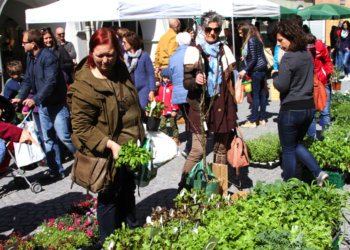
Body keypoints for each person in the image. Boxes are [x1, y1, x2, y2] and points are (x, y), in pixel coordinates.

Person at [67, 27, 144, 244]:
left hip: (128, 148)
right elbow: (81, 127)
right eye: (99, 55)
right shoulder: (84, 85)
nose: (105, 60)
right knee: (109, 197)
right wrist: (109, 144)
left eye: (110, 54)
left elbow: (128, 100)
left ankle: (131, 234)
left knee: (127, 191)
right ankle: (109, 243)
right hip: (108, 151)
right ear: (91, 52)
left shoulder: (120, 69)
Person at [178, 11, 238, 191]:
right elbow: (186, 82)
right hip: (201, 106)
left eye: (216, 29)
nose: (212, 33)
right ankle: (184, 189)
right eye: (209, 29)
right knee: (197, 150)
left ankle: (219, 191)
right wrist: (195, 81)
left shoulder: (225, 50)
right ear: (202, 29)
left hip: (222, 105)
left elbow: (231, 81)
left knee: (220, 151)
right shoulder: (193, 50)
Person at [12, 29, 76, 180]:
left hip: (57, 104)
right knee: (47, 139)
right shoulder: (30, 57)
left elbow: (50, 82)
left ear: (33, 43)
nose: (22, 45)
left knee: (64, 136)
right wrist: (20, 98)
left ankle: (86, 159)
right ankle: (56, 171)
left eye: (24, 42)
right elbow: (27, 79)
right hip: (43, 105)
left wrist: (35, 99)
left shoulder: (49, 57)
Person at [271, 20, 328, 185]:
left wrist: (275, 74)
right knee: (296, 144)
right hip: (308, 108)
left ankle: (290, 185)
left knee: (288, 149)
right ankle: (318, 172)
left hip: (291, 110)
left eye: (281, 40)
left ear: (291, 37)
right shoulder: (306, 55)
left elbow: (282, 85)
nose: (278, 44)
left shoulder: (289, 57)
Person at [238, 23, 267, 128]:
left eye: (241, 33)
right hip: (261, 69)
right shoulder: (257, 38)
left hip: (256, 71)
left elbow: (254, 59)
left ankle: (253, 120)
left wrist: (244, 70)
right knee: (262, 95)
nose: (240, 35)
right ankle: (262, 118)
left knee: (255, 96)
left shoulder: (251, 40)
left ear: (246, 31)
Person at [169, 32, 192, 158]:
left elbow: (172, 77)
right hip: (191, 91)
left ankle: (190, 146)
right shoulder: (193, 53)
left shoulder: (172, 57)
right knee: (192, 120)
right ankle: (190, 146)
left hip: (179, 91)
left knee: (188, 119)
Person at [306, 34, 333, 138]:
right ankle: (312, 139)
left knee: (325, 112)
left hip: (322, 82)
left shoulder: (320, 47)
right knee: (312, 114)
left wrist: (326, 73)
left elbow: (328, 61)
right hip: (311, 84)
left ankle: (326, 137)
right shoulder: (303, 50)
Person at [123, 31, 156, 109]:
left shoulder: (144, 56)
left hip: (143, 90)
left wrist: (152, 91)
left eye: (124, 42)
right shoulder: (125, 57)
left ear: (131, 43)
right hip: (129, 89)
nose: (122, 44)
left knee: (142, 110)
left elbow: (151, 74)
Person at [155, 68, 180, 145]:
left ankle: (176, 138)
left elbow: (174, 98)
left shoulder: (172, 87)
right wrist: (154, 99)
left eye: (167, 78)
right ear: (162, 78)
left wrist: (175, 110)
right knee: (162, 124)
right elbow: (159, 97)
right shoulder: (161, 87)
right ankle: (166, 137)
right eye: (164, 77)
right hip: (163, 110)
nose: (166, 79)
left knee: (173, 125)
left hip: (171, 110)